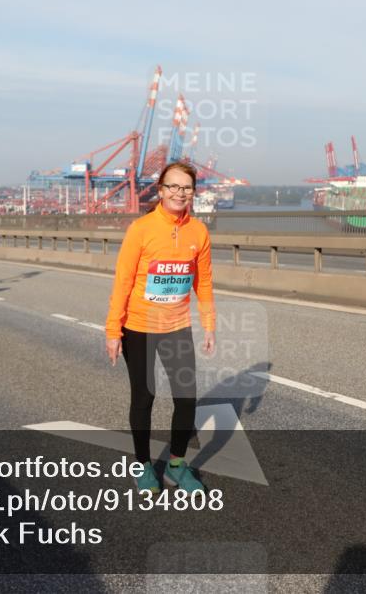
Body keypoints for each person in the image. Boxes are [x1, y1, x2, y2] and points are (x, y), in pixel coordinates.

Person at [105, 160, 216, 495]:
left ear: (193, 192)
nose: (180, 193)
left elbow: (205, 283)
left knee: (186, 398)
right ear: (161, 190)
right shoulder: (141, 229)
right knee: (145, 396)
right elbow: (122, 282)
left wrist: (209, 325)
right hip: (138, 327)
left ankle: (177, 465)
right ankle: (142, 467)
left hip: (176, 326)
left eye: (186, 187)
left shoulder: (199, 232)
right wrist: (113, 330)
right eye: (173, 187)